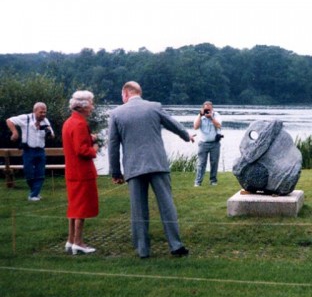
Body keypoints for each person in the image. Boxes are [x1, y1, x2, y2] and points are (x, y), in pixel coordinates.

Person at [108, 81, 195, 259]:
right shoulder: (154, 107)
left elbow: (113, 146)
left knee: (138, 209)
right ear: (139, 92)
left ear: (125, 94)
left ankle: (143, 250)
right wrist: (187, 136)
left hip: (133, 166)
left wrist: (116, 172)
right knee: (167, 205)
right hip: (157, 163)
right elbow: (173, 124)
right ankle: (176, 246)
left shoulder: (116, 114)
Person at [62, 91, 100, 255]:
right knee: (81, 209)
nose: (92, 106)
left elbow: (74, 142)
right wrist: (95, 148)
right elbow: (82, 150)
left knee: (74, 207)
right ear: (83, 106)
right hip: (81, 173)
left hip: (72, 172)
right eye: (91, 103)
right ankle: (78, 242)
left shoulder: (69, 122)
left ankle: (71, 241)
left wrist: (90, 138)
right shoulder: (79, 124)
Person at [6, 102, 55, 201]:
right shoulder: (26, 118)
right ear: (34, 111)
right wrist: (15, 132)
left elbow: (53, 135)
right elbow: (9, 120)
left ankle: (33, 195)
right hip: (28, 150)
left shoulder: (45, 121)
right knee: (28, 173)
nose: (43, 115)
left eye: (45, 112)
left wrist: (47, 130)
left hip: (40, 150)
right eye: (41, 112)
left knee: (40, 173)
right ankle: (35, 192)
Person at [193, 101, 222, 186]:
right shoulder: (200, 116)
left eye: (209, 109)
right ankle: (198, 182)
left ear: (212, 108)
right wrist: (200, 115)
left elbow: (219, 125)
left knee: (214, 163)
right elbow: (195, 127)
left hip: (215, 144)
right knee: (201, 163)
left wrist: (211, 118)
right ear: (203, 108)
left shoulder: (216, 115)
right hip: (203, 144)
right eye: (206, 109)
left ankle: (213, 181)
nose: (207, 111)